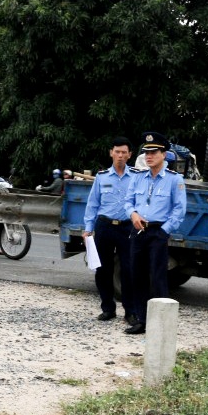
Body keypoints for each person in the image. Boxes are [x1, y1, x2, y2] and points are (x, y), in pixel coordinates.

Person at [124, 131, 187, 335]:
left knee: (158, 278)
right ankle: (141, 320)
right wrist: (133, 215)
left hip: (158, 232)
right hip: (139, 231)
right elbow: (128, 201)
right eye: (147, 152)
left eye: (154, 152)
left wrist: (164, 231)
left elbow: (179, 210)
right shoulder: (138, 177)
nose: (149, 156)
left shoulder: (174, 179)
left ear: (164, 154)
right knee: (137, 276)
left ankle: (161, 324)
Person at [83, 137, 136, 324]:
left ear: (129, 155)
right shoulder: (102, 177)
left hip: (127, 227)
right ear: (111, 153)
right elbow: (93, 204)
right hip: (104, 226)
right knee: (103, 269)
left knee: (128, 270)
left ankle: (130, 311)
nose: (120, 155)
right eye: (117, 152)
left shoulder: (137, 177)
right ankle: (108, 308)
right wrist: (88, 228)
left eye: (124, 152)